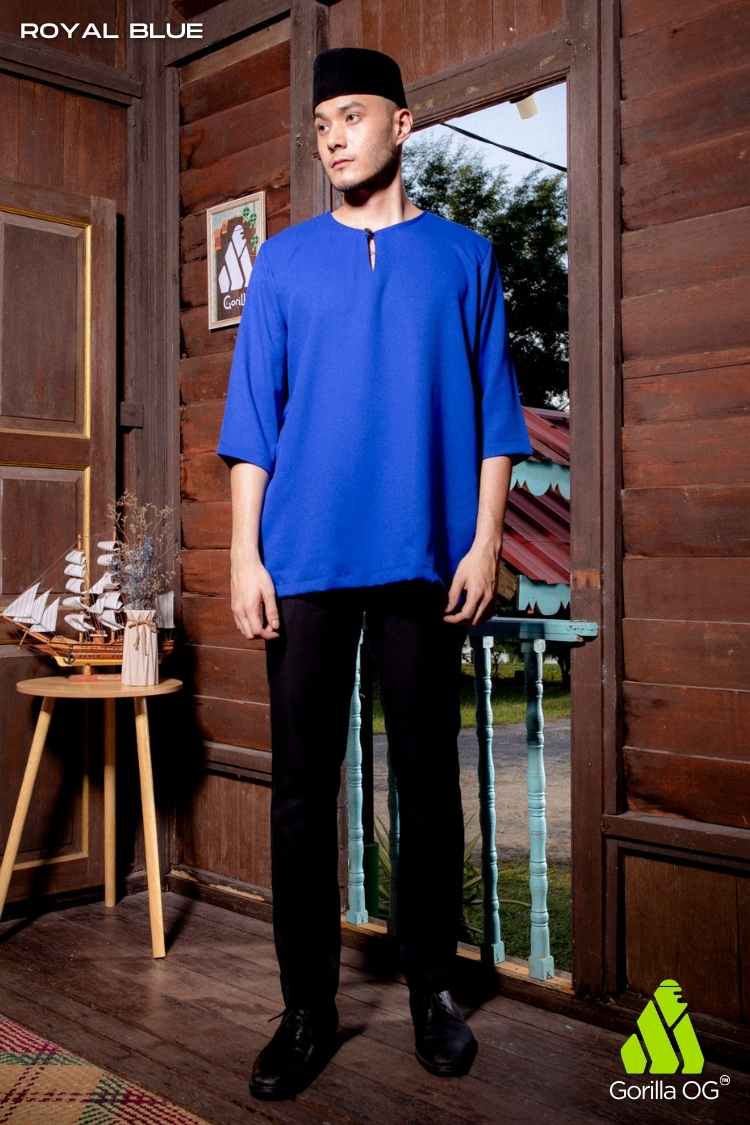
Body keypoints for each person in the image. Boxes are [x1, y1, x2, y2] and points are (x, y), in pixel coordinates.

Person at [216, 45, 533, 1101]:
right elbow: (253, 423)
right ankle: (306, 1008)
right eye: (320, 126)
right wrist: (244, 552)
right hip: (303, 559)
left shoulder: (465, 257)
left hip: (423, 558)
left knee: (428, 784)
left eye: (351, 116)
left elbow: (496, 414)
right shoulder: (285, 262)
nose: (333, 138)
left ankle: (434, 991)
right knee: (302, 794)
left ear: (402, 124)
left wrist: (485, 541)